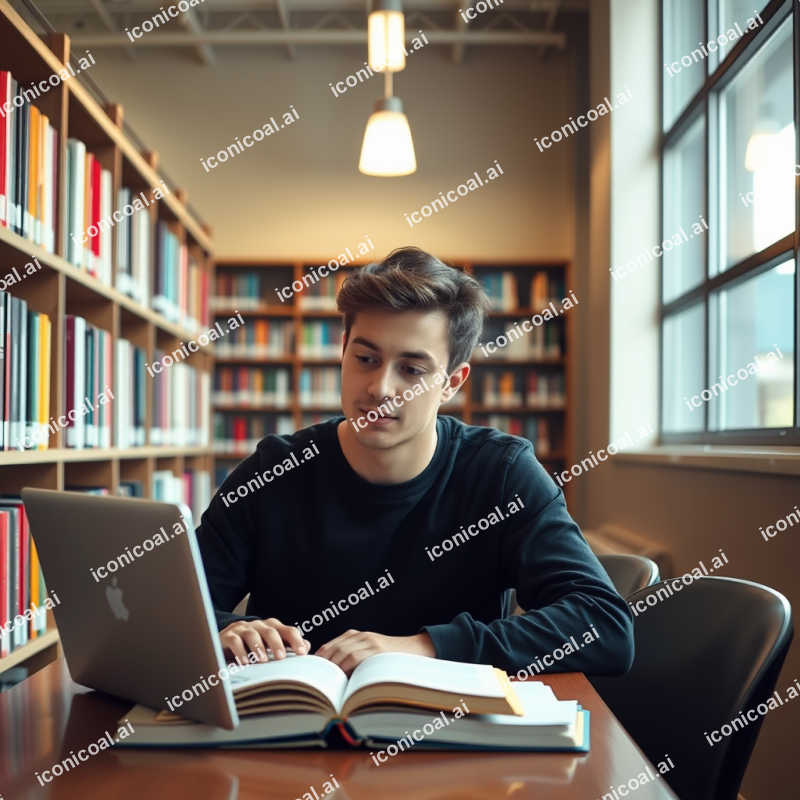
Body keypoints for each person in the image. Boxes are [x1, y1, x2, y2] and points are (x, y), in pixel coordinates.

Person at [197, 246, 634, 677]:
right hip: (289, 726)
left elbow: (606, 627)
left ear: (452, 382)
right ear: (343, 349)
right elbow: (172, 604)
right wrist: (228, 629)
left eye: (412, 370)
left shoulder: (501, 474)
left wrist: (422, 646)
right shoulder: (274, 470)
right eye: (366, 359)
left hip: (449, 732)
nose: (380, 388)